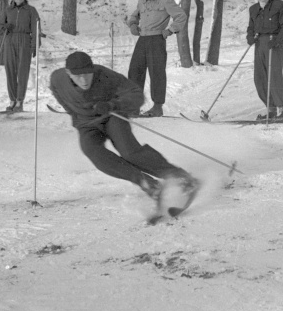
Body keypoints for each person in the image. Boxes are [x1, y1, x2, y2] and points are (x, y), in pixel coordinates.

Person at [49, 51, 194, 202]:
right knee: (94, 153)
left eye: (87, 74)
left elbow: (136, 94)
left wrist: (113, 104)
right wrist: (74, 113)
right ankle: (149, 184)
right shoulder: (58, 78)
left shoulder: (105, 76)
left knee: (129, 152)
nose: (84, 79)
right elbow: (56, 90)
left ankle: (180, 178)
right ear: (68, 73)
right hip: (87, 123)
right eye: (78, 75)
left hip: (112, 116)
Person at [126, 0, 187, 117]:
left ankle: (157, 107)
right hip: (143, 40)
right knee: (135, 71)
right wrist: (133, 25)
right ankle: (134, 107)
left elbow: (181, 16)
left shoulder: (166, 0)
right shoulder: (142, 2)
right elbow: (134, 16)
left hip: (157, 40)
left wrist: (170, 30)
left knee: (157, 73)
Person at [246, 0, 283, 120]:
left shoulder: (280, 6)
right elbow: (251, 27)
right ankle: (271, 109)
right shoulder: (253, 9)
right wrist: (250, 37)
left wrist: (278, 41)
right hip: (259, 44)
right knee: (260, 78)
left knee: (274, 76)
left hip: (274, 44)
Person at [0, 0, 40, 112]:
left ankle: (19, 101)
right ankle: (12, 100)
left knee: (22, 71)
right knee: (10, 70)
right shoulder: (7, 10)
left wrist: (34, 45)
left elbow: (36, 29)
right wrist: (5, 27)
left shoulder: (31, 10)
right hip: (9, 40)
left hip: (24, 40)